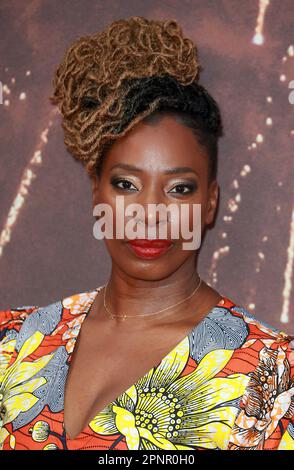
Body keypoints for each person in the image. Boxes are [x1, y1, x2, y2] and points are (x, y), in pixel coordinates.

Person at [0, 16, 293, 451]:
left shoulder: (271, 375)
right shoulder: (14, 341)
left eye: (179, 189)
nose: (150, 214)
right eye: (126, 184)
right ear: (96, 189)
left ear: (210, 202)